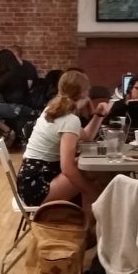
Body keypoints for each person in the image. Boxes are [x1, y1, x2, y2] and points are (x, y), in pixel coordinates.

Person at [29, 72, 102, 206]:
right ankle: (89, 217)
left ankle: (86, 216)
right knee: (95, 186)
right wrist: (92, 191)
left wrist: (99, 114)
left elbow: (86, 136)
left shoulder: (51, 109)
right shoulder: (69, 120)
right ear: (84, 93)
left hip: (30, 178)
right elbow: (67, 168)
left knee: (92, 172)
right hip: (39, 186)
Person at [0, 49, 43, 143]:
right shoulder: (16, 71)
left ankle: (7, 131)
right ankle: (3, 133)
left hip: (17, 107)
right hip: (19, 106)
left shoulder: (10, 75)